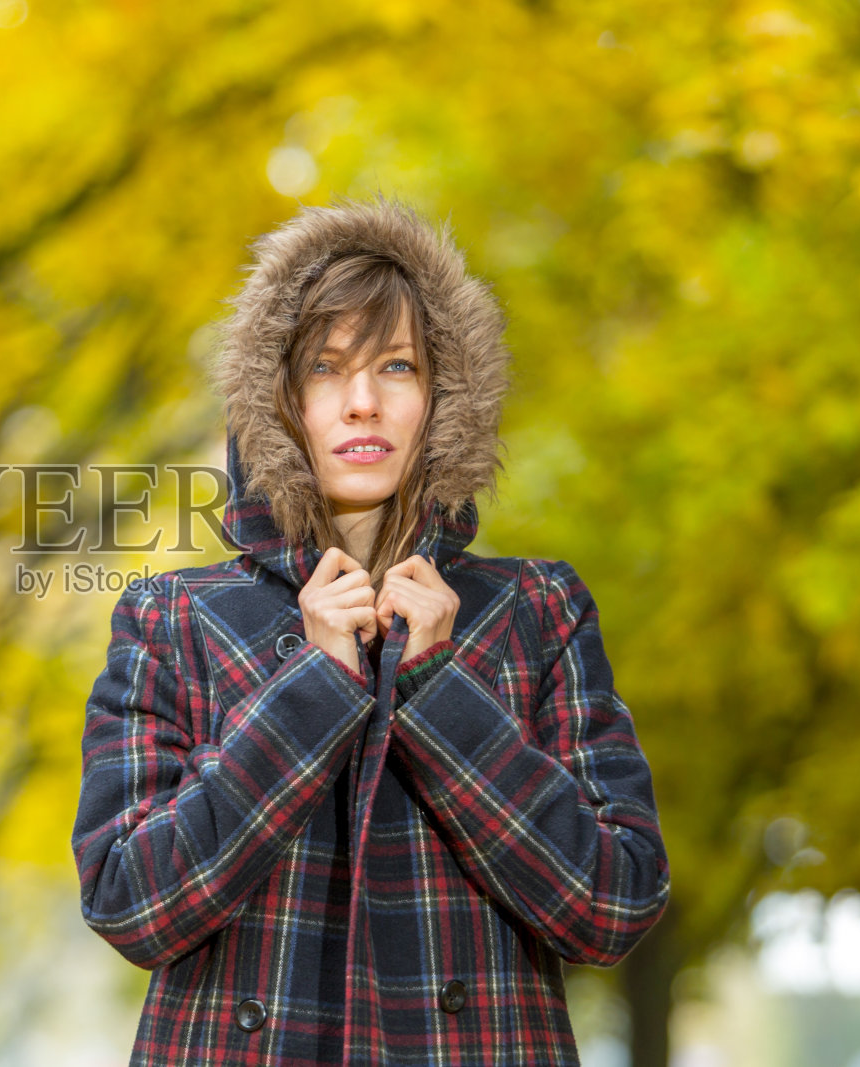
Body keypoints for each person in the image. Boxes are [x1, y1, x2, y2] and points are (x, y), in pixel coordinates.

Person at [70, 195, 670, 1065]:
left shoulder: (538, 609)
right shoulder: (173, 619)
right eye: (324, 367)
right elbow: (131, 903)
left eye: (396, 366)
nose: (362, 403)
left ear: (443, 397)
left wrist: (439, 695)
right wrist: (311, 691)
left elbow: (614, 905)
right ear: (277, 401)